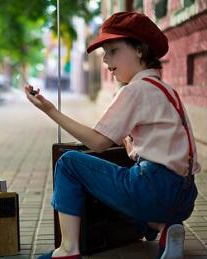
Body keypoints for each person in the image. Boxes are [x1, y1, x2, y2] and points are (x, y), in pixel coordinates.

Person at [25, 11, 199, 259]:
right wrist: (135, 151)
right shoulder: (167, 90)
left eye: (113, 50)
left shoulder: (136, 89)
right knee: (120, 178)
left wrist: (50, 110)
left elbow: (97, 142)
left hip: (153, 190)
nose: (105, 59)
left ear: (140, 50)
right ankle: (164, 228)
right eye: (104, 53)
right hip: (185, 197)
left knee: (69, 163)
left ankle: (67, 250)